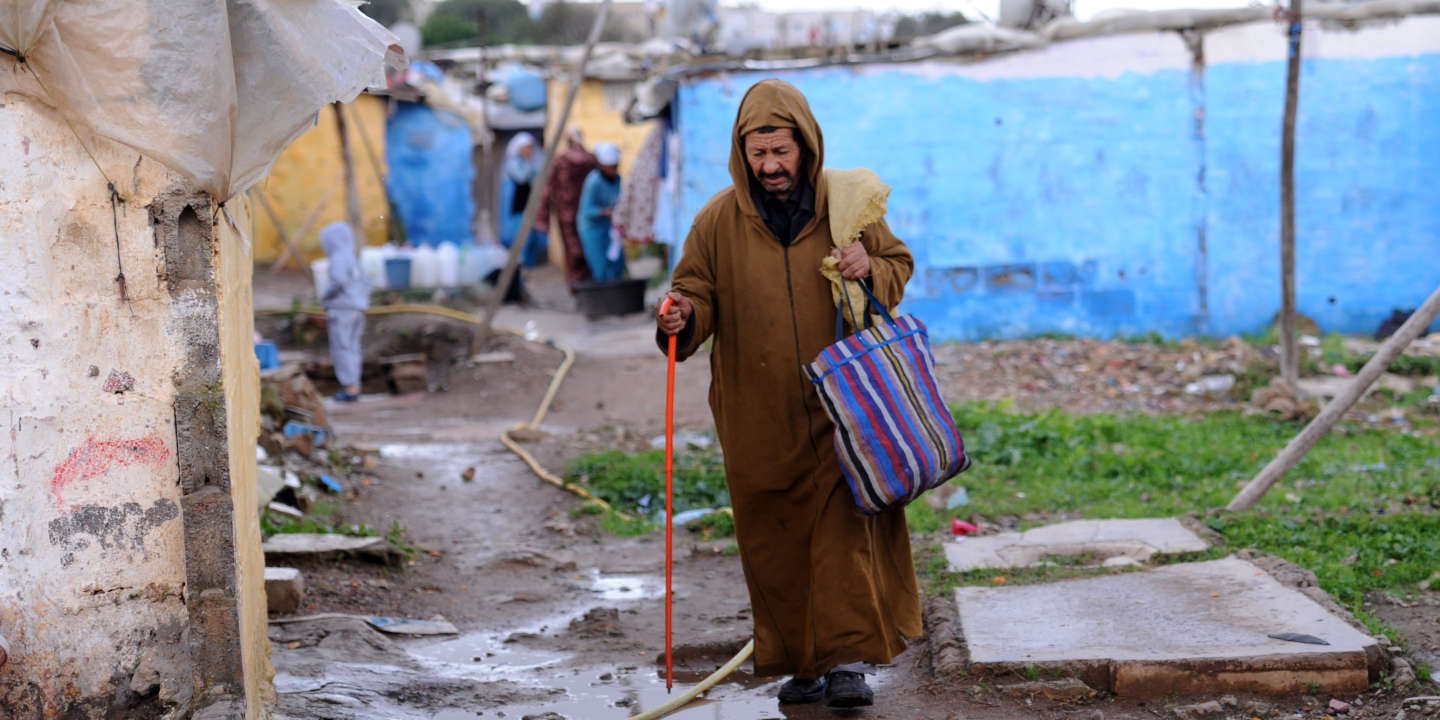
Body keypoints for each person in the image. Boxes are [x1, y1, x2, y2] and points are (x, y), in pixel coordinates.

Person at [655, 79, 916, 709]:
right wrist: (680, 315)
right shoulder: (716, 220)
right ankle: (803, 660)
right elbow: (694, 291)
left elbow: (898, 266)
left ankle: (847, 661)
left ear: (807, 144)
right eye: (758, 153)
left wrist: (869, 268)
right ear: (741, 152)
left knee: (844, 534)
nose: (771, 166)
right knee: (776, 539)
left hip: (844, 406)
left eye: (782, 151)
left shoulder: (849, 205)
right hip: (758, 413)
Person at [536, 128, 598, 289]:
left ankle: (577, 286)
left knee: (572, 251)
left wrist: (543, 218)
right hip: (588, 214)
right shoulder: (591, 160)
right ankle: (588, 284)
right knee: (588, 247)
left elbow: (548, 190)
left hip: (567, 214)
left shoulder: (561, 161)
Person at [319, 221, 369, 402]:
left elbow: (338, 281)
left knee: (342, 347)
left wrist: (326, 298)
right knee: (353, 347)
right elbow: (367, 282)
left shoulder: (338, 257)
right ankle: (355, 384)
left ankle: (350, 387)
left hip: (342, 309)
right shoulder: (353, 257)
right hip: (358, 308)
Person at [577, 142, 626, 282]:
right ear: (602, 166)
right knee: (600, 265)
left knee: (616, 262)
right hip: (592, 228)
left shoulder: (618, 179)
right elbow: (586, 210)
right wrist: (604, 212)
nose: (614, 170)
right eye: (611, 167)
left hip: (609, 226)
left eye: (616, 167)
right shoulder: (594, 181)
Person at [498, 132, 548, 267]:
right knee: (522, 238)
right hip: (520, 206)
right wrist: (532, 168)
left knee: (531, 238)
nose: (530, 151)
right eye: (527, 147)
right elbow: (522, 177)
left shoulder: (528, 162)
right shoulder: (514, 162)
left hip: (530, 205)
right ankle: (521, 266)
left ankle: (529, 265)